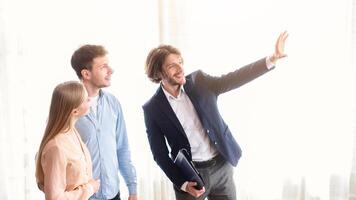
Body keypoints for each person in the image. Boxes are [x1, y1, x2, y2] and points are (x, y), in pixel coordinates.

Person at [142, 31, 288, 200]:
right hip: (191, 176)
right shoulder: (152, 108)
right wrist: (182, 183)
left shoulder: (200, 81)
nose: (180, 68)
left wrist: (271, 59)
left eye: (180, 62)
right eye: (172, 66)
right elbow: (159, 154)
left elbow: (234, 78)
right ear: (158, 73)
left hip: (222, 167)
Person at [71, 45, 137, 200]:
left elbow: (122, 148)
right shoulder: (67, 107)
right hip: (83, 197)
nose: (111, 71)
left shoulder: (113, 104)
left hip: (113, 194)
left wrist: (132, 189)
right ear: (86, 73)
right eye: (103, 67)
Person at [35, 81, 100, 200]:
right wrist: (90, 188)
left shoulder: (72, 132)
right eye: (86, 99)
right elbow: (54, 198)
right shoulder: (56, 147)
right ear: (75, 112)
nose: (90, 100)